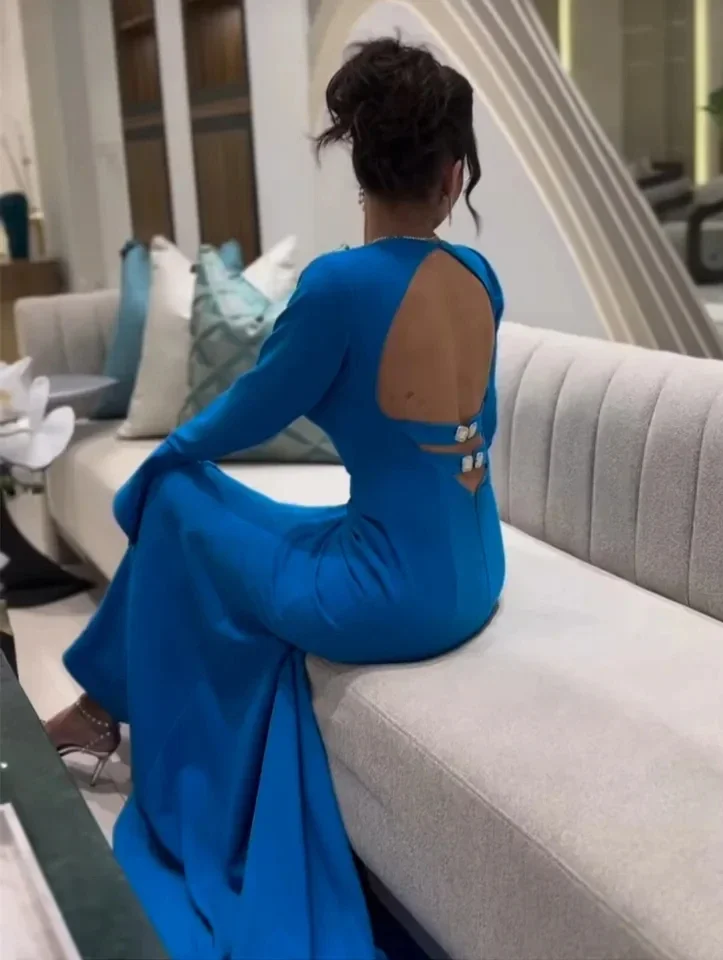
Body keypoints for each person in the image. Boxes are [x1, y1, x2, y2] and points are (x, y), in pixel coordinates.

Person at [46, 37, 505, 960]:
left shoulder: (338, 286)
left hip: (385, 599)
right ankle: (99, 708)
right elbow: (463, 436)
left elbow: (250, 410)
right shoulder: (479, 278)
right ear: (453, 177)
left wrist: (159, 465)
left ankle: (99, 712)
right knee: (213, 507)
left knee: (178, 498)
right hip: (473, 575)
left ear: (358, 164)